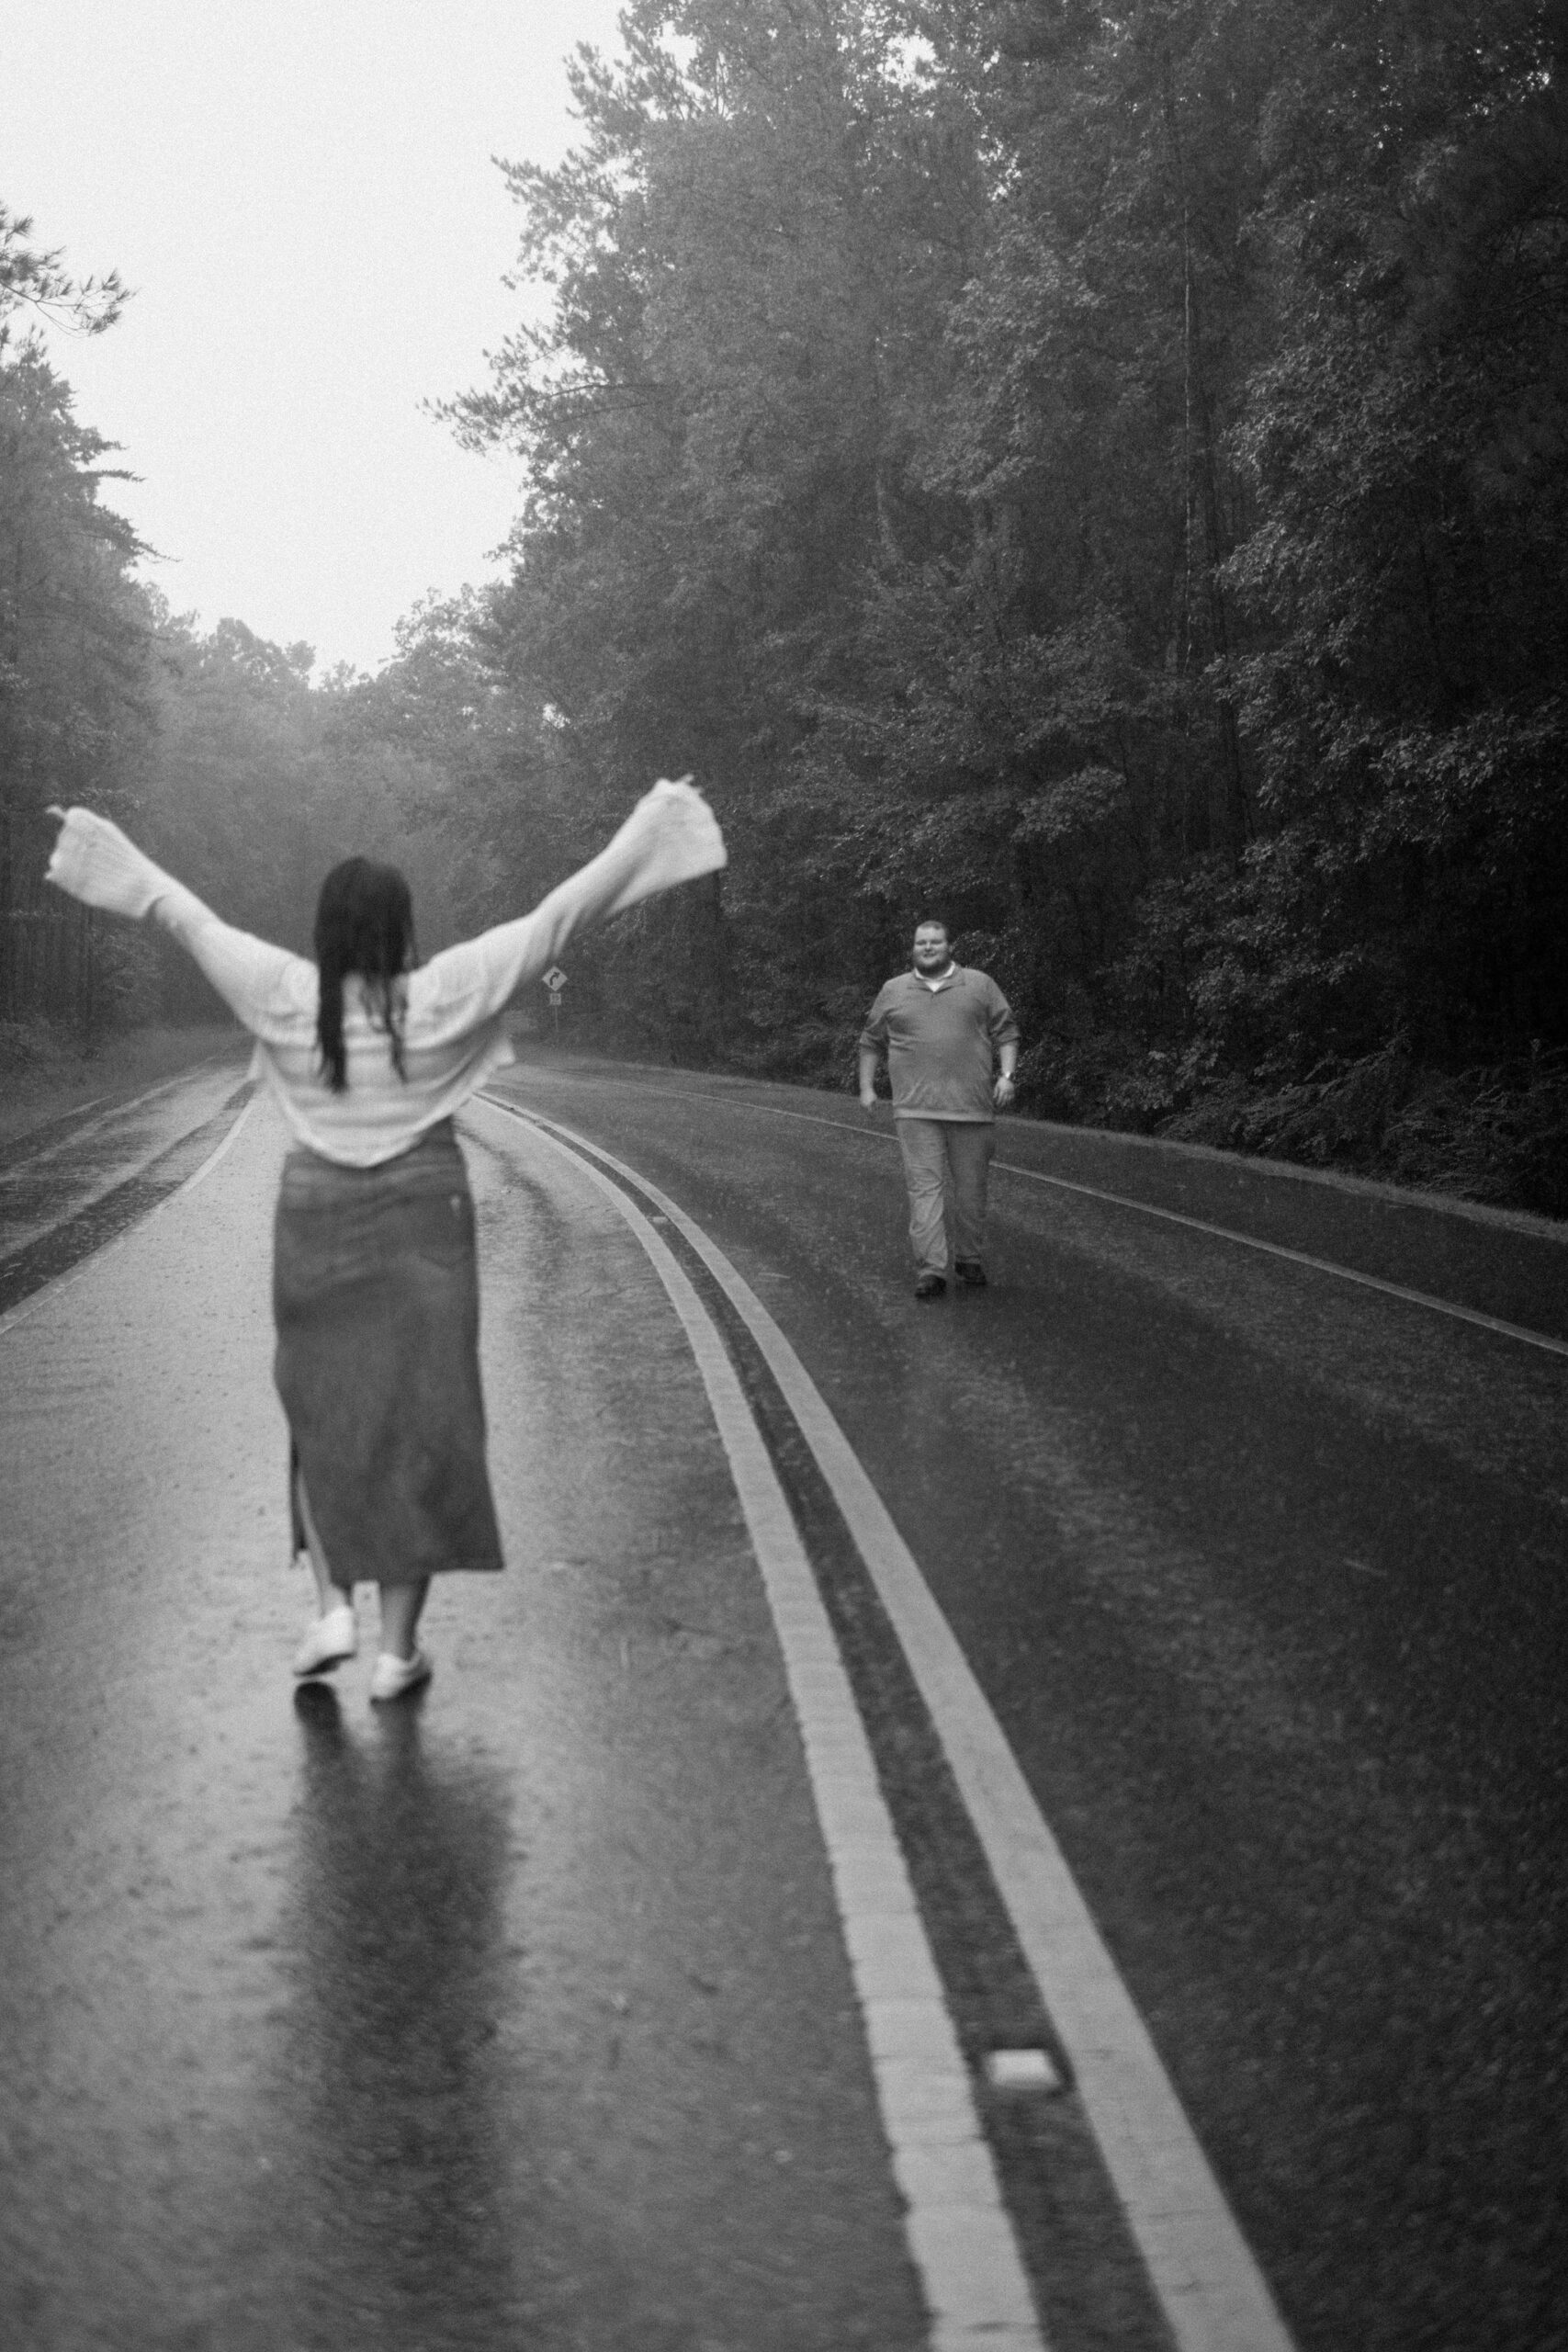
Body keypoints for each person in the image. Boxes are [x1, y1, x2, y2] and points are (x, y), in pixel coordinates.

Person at [45, 779, 725, 1699]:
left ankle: (333, 1610)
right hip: (423, 1218)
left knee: (326, 1407)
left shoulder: (283, 991)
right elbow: (561, 914)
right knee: (421, 1424)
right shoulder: (445, 992)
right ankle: (398, 1653)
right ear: (402, 926)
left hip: (316, 1220)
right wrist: (655, 826)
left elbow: (180, 911)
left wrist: (98, 844)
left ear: (324, 927)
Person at [858, 920, 1020, 1299]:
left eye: (935, 942)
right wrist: (867, 1087)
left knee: (970, 1191)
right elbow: (870, 1041)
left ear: (949, 946)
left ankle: (969, 1258)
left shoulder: (979, 985)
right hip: (915, 1110)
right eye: (921, 942)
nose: (928, 947)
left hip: (972, 1109)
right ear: (913, 948)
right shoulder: (894, 990)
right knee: (924, 1190)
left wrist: (1007, 1076)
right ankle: (931, 1270)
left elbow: (1007, 1031)